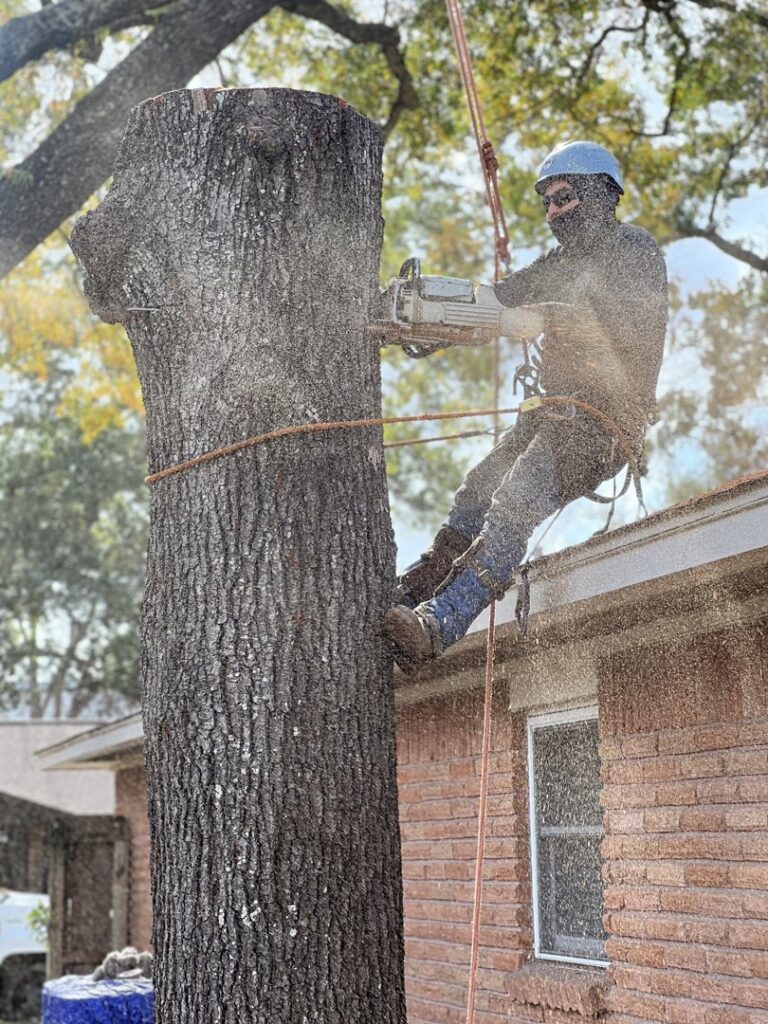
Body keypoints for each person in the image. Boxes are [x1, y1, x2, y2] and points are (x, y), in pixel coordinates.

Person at [384, 140, 668, 673]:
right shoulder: (557, 264)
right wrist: (422, 317)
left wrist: (545, 317)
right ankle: (410, 594)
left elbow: (625, 328)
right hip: (552, 415)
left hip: (603, 423)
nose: (555, 211)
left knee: (513, 500)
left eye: (566, 197)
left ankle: (439, 622)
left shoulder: (634, 251)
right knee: (476, 490)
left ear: (601, 193)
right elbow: (497, 302)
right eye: (549, 202)